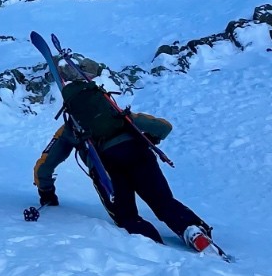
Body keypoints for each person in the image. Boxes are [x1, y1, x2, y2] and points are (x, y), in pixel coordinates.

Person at [33, 55, 215, 252]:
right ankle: (193, 230)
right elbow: (164, 127)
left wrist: (47, 193)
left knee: (127, 215)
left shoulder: (70, 129)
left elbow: (45, 165)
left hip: (105, 167)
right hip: (138, 154)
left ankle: (154, 245)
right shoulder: (117, 115)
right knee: (163, 202)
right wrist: (152, 139)